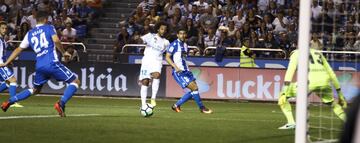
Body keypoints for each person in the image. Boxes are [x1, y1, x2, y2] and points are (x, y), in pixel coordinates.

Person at [0, 11, 81, 117]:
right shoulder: (49, 27)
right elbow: (56, 40)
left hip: (39, 66)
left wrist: (6, 62)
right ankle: (61, 103)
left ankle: (9, 102)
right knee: (75, 81)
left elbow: (18, 49)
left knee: (35, 89)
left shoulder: (30, 33)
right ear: (46, 19)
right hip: (51, 62)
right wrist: (63, 52)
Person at [278, 48, 347, 129]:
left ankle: (291, 122)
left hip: (308, 82)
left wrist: (284, 92)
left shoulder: (296, 53)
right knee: (332, 103)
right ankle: (350, 122)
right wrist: (340, 93)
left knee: (282, 96)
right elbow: (331, 73)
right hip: (325, 81)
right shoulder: (318, 53)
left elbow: (290, 72)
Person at [165, 28, 212, 114]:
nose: (182, 35)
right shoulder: (174, 44)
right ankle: (202, 108)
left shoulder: (185, 45)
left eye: (184, 34)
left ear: (186, 35)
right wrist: (175, 67)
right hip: (179, 72)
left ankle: (176, 105)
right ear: (177, 35)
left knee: (194, 90)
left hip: (186, 71)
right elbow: (167, 57)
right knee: (194, 88)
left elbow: (182, 58)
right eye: (180, 34)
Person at [138, 21, 170, 108]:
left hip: (157, 61)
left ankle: (153, 98)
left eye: (165, 30)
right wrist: (139, 38)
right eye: (162, 29)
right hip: (146, 61)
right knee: (145, 81)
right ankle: (143, 104)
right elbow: (140, 40)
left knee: (157, 75)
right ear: (158, 29)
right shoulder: (150, 36)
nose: (163, 31)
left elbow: (168, 53)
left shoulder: (166, 42)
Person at [0, 21, 23, 108]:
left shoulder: (3, 40)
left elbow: (2, 53)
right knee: (13, 80)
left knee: (7, 83)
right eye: (2, 28)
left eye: (5, 28)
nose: (4, 30)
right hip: (1, 65)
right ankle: (13, 102)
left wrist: (8, 62)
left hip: (3, 63)